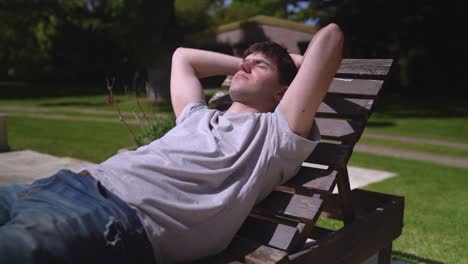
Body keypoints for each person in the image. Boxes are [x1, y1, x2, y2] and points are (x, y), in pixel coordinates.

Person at [0, 23, 343, 263]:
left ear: (283, 91)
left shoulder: (276, 135)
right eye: (244, 62)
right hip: (56, 185)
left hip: (106, 218)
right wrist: (250, 62)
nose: (245, 67)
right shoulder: (197, 116)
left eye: (259, 66)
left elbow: (330, 37)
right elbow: (183, 57)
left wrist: (290, 63)